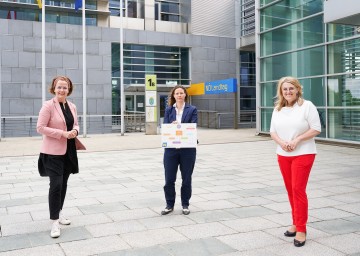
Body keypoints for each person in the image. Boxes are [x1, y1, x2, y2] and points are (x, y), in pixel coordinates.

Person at [270, 76, 321, 247]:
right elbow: (272, 132)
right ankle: (295, 222)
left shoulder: (307, 106)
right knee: (290, 190)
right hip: (283, 154)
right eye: (285, 89)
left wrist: (297, 140)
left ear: (298, 89)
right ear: (281, 92)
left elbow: (316, 128)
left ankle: (301, 229)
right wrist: (282, 143)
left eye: (291, 88)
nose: (288, 92)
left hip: (304, 153)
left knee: (298, 189)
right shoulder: (277, 109)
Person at [37, 75, 85, 238]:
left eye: (65, 87)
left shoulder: (72, 106)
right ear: (54, 88)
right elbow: (40, 127)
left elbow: (76, 124)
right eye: (59, 87)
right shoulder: (48, 106)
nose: (62, 90)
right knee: (56, 185)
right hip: (52, 153)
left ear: (69, 89)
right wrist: (62, 133)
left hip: (69, 151)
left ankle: (59, 212)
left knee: (64, 184)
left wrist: (75, 131)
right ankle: (54, 222)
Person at [161, 85, 197, 216]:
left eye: (182, 93)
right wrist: (171, 126)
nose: (180, 95)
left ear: (185, 95)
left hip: (188, 149)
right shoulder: (169, 110)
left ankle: (185, 204)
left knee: (186, 178)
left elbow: (193, 126)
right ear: (173, 96)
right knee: (169, 179)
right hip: (171, 149)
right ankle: (169, 204)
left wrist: (180, 126)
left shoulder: (192, 109)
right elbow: (165, 126)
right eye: (177, 93)